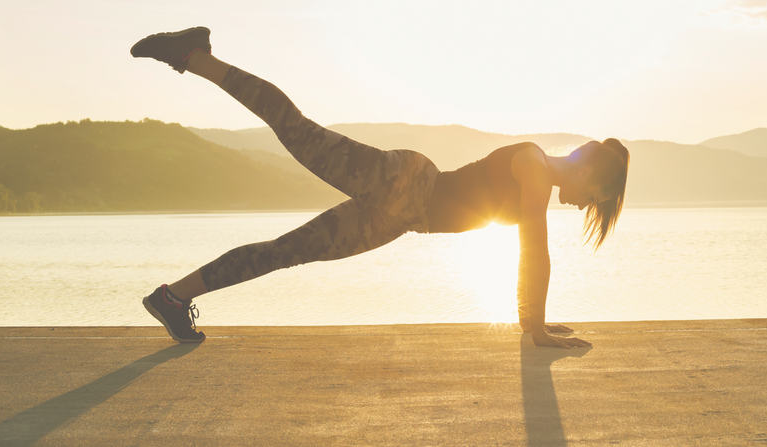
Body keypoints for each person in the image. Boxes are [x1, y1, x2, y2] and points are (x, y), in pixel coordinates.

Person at [132, 27, 629, 349]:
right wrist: (536, 330)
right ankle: (193, 54)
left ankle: (172, 299)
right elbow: (534, 251)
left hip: (404, 217)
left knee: (285, 252)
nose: (584, 206)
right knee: (294, 127)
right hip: (404, 184)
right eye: (595, 199)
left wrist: (534, 326)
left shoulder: (537, 173)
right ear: (588, 175)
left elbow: (532, 254)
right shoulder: (535, 167)